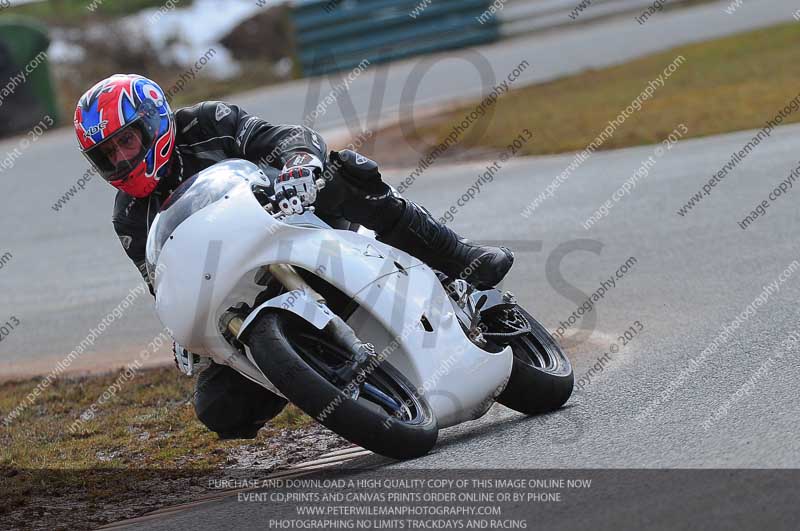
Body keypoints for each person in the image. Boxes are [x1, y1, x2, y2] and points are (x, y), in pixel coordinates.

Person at [74, 73, 514, 439]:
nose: (120, 159)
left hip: (297, 220)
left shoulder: (207, 122)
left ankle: (457, 256)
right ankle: (311, 373)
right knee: (217, 407)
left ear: (153, 122)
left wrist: (300, 162)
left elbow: (284, 136)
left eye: (126, 142)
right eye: (106, 155)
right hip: (240, 289)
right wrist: (182, 334)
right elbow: (160, 280)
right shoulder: (129, 218)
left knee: (348, 172)